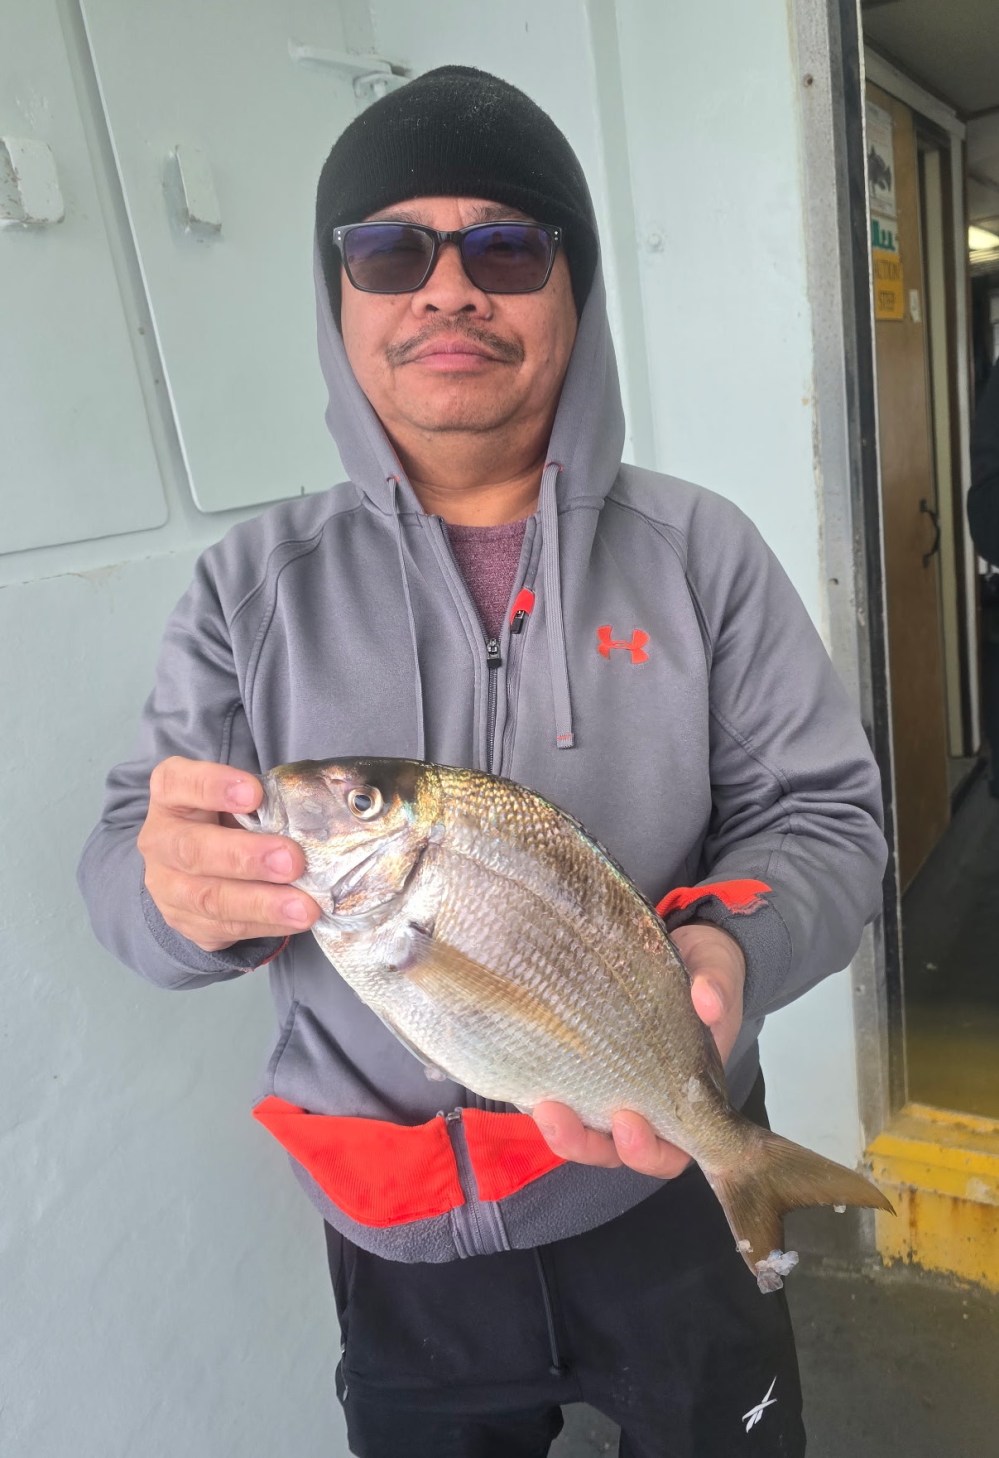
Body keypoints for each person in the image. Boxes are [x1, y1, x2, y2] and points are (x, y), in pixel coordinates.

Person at [79, 65, 887, 1458]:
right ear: (340, 307)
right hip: (399, 1234)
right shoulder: (247, 586)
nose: (449, 289)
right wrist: (171, 897)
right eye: (392, 250)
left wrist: (730, 960)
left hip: (661, 1188)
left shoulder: (704, 557)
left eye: (505, 246)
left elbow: (827, 818)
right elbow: (125, 866)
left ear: (573, 291)